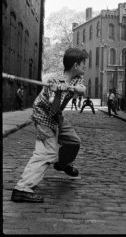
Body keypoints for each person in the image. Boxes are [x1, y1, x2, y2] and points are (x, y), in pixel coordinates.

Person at [11, 48, 88, 203]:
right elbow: (54, 107)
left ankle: (62, 164)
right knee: (47, 153)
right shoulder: (55, 80)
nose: (86, 66)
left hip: (57, 117)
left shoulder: (75, 79)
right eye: (83, 64)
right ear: (75, 66)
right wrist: (58, 92)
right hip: (44, 117)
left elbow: (82, 90)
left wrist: (72, 88)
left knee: (74, 141)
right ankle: (22, 188)